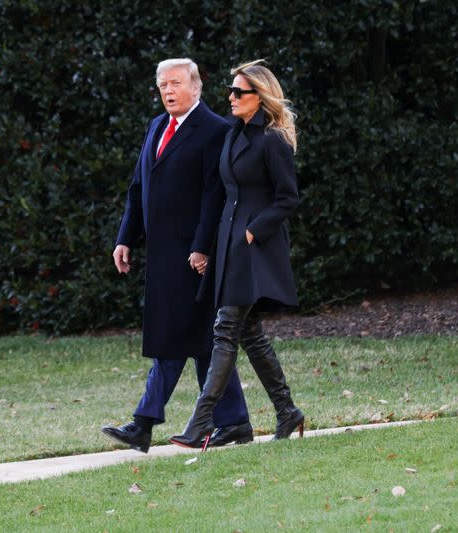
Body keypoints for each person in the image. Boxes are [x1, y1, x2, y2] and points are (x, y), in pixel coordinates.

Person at [101, 58, 253, 453]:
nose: (168, 91)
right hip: (162, 257)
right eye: (163, 84)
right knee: (202, 341)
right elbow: (139, 188)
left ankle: (143, 422)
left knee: (172, 337)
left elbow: (213, 195)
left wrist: (202, 247)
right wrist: (125, 238)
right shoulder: (156, 126)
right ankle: (235, 421)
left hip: (194, 258)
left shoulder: (216, 130)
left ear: (196, 87)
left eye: (175, 83)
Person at [170, 59, 304, 449]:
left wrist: (251, 231)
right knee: (247, 332)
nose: (230, 97)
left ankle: (200, 422)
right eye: (230, 91)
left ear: (258, 98)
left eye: (238, 92)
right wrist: (214, 243)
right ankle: (286, 410)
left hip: (253, 249)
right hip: (229, 245)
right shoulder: (233, 134)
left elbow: (287, 198)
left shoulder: (273, 141)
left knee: (225, 329)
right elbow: (225, 194)